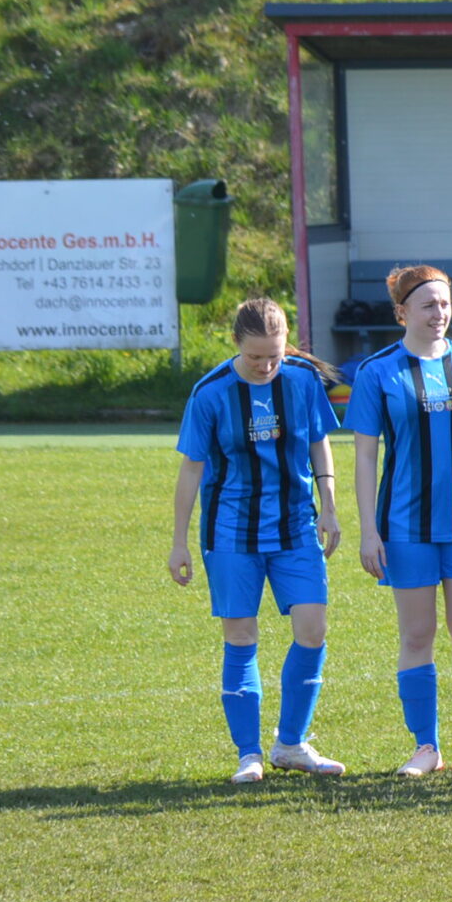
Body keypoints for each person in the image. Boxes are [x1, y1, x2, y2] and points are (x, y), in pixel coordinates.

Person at [169, 298, 347, 781]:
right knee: (241, 638)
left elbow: (319, 440)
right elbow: (191, 469)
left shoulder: (303, 380)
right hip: (231, 534)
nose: (267, 365)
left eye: (275, 355)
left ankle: (290, 744)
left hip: (296, 528)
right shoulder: (210, 392)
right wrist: (179, 541)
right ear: (235, 344)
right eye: (255, 357)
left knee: (313, 630)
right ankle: (248, 754)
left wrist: (330, 505)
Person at [347, 265, 452, 776]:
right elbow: (366, 457)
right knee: (416, 634)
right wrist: (369, 529)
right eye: (427, 305)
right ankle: (426, 747)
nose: (439, 313)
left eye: (445, 304)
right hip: (406, 525)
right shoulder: (377, 372)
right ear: (402, 313)